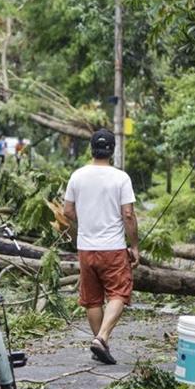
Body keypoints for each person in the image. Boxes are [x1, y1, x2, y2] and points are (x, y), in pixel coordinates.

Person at [63, 129, 140, 365]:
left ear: (91, 149)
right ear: (113, 150)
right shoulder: (120, 178)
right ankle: (103, 337)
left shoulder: (77, 176)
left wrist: (85, 219)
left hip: (86, 248)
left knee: (92, 299)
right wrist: (135, 245)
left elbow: (66, 211)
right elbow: (128, 214)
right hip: (113, 248)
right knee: (119, 292)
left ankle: (100, 343)